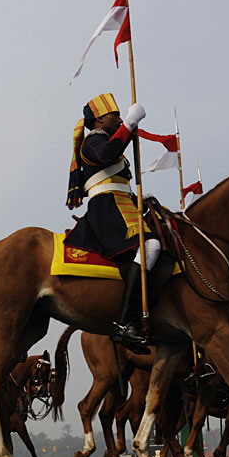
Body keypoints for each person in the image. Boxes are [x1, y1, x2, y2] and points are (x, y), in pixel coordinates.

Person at [64, 93, 160, 354]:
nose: (118, 118)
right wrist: (129, 123)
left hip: (121, 201)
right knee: (150, 246)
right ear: (99, 120)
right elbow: (108, 155)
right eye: (114, 115)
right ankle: (126, 320)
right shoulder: (93, 141)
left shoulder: (104, 138)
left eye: (120, 115)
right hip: (108, 207)